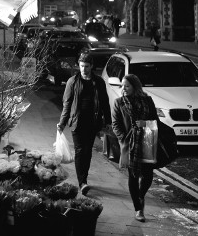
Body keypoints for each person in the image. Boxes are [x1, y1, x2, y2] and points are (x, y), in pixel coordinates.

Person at [56, 51, 111, 195]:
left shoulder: (99, 82)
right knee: (80, 151)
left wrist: (109, 122)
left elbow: (105, 103)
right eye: (81, 66)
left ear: (92, 66)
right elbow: (66, 104)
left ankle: (84, 178)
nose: (84, 69)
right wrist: (62, 123)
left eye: (86, 66)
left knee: (87, 152)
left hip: (93, 122)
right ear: (78, 66)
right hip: (77, 122)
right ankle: (83, 182)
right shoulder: (72, 82)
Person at [111, 74, 158, 222]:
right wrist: (123, 138)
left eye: (127, 86)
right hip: (130, 144)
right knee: (133, 175)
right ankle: (138, 209)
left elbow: (155, 120)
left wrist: (144, 124)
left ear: (135, 87)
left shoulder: (147, 101)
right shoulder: (119, 102)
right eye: (122, 86)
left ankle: (140, 195)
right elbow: (115, 124)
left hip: (147, 141)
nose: (123, 89)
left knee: (148, 175)